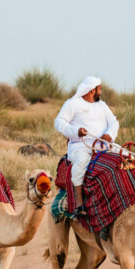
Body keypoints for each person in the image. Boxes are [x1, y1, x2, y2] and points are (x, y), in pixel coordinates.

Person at [54, 76, 119, 217]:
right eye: (99, 89)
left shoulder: (102, 105)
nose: (100, 92)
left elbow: (114, 122)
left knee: (125, 156)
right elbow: (59, 122)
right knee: (81, 163)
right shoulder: (72, 104)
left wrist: (109, 135)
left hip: (102, 145)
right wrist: (75, 131)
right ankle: (79, 202)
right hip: (80, 146)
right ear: (91, 91)